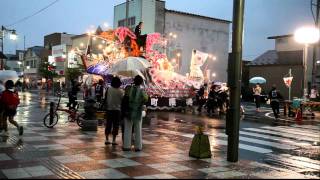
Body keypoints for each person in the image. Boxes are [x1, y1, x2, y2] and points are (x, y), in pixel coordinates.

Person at [123, 75, 148, 151]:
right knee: (138, 130)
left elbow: (125, 98)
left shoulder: (128, 89)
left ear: (134, 81)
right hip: (137, 112)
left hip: (128, 112)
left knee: (127, 129)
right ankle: (138, 147)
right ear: (140, 82)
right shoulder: (142, 91)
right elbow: (146, 99)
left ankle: (126, 146)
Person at [104, 76, 124, 146]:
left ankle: (106, 139)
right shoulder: (121, 91)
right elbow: (123, 101)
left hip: (109, 110)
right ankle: (114, 140)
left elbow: (105, 99)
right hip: (117, 111)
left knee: (108, 124)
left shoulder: (108, 89)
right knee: (116, 125)